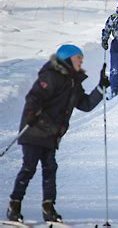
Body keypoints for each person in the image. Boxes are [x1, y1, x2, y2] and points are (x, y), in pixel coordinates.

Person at [6, 45, 110, 223]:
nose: (81, 61)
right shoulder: (52, 75)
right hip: (35, 130)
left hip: (51, 134)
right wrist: (31, 113)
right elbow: (34, 96)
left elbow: (85, 105)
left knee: (50, 169)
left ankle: (48, 208)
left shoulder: (73, 81)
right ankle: (14, 205)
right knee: (29, 167)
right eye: (78, 58)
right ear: (68, 58)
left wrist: (101, 88)